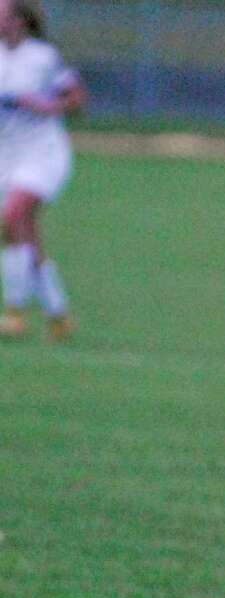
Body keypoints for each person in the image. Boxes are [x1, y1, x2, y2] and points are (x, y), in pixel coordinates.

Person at [0, 0, 85, 342]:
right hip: (8, 157)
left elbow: (77, 100)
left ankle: (14, 313)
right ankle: (58, 315)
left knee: (10, 217)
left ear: (19, 21)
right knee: (24, 234)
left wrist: (49, 105)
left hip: (44, 155)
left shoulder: (43, 57)